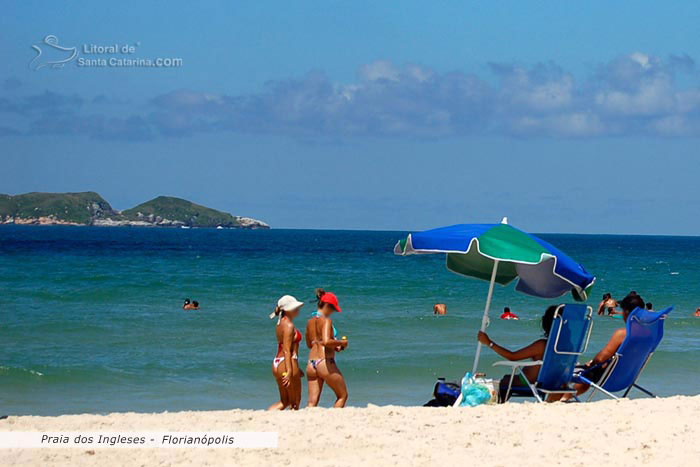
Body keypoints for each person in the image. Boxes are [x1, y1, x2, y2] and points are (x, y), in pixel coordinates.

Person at [558, 292, 645, 402]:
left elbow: (600, 358)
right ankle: (565, 398)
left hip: (610, 378)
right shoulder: (647, 334)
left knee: (580, 372)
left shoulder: (622, 334)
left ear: (627, 313)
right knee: (590, 373)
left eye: (623, 311)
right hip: (627, 377)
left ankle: (560, 398)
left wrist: (593, 363)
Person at [477, 305, 558, 402]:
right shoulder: (567, 346)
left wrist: (488, 342)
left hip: (530, 382)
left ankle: (499, 403)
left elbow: (512, 356)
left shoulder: (542, 345)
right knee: (507, 378)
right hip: (552, 381)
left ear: (547, 323)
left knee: (504, 381)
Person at [305, 288, 348, 408]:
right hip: (325, 362)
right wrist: (342, 343)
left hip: (311, 363)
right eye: (333, 309)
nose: (332, 312)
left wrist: (335, 346)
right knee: (342, 395)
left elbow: (310, 344)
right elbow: (326, 341)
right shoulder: (326, 320)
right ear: (327, 306)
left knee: (311, 403)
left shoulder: (309, 322)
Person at [268, 295, 304, 410]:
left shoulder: (279, 324)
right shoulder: (289, 325)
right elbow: (287, 350)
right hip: (286, 363)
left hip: (277, 362)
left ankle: (265, 415)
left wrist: (297, 369)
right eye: (295, 308)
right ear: (287, 310)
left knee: (285, 401)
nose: (298, 310)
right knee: (295, 402)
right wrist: (289, 371)